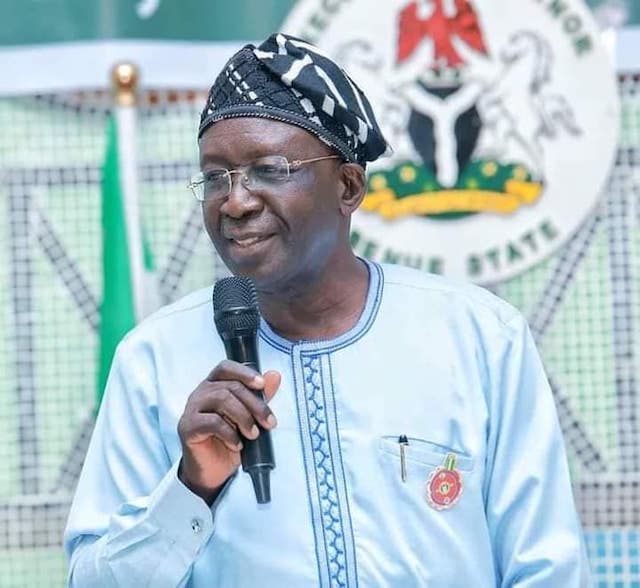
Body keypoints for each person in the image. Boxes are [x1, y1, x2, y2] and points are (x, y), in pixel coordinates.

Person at [64, 33, 591, 587]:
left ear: (348, 186)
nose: (236, 202)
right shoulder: (153, 360)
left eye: (270, 169)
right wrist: (191, 487)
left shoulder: (479, 338)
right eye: (216, 177)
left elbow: (548, 569)